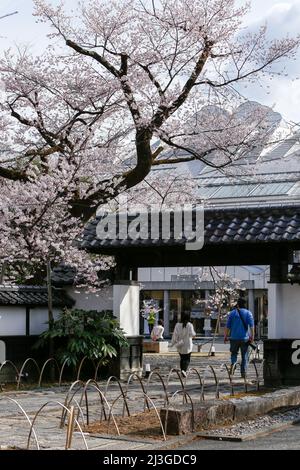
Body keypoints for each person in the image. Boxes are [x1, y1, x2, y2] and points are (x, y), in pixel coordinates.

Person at [224, 298, 255, 378]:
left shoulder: (232, 313)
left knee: (234, 353)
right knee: (244, 356)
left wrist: (226, 336)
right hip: (244, 338)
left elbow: (228, 326)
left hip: (233, 338)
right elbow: (251, 326)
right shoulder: (248, 313)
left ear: (237, 304)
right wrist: (252, 337)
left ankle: (233, 365)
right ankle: (243, 372)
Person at [170, 312, 196, 377]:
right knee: (187, 359)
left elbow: (175, 335)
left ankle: (182, 370)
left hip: (180, 344)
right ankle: (184, 370)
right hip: (187, 344)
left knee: (182, 358)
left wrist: (172, 343)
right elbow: (192, 334)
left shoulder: (177, 325)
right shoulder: (189, 325)